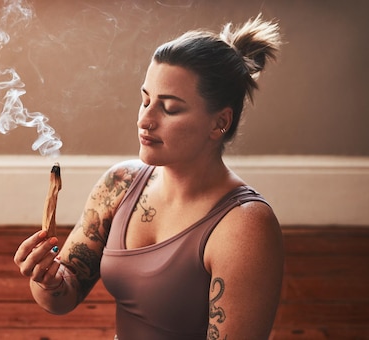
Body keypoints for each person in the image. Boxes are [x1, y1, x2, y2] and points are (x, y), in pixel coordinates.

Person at [14, 14, 284, 340]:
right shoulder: (121, 183)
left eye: (169, 108)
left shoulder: (245, 226)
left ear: (219, 123)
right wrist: (48, 279)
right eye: (145, 100)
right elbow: (63, 297)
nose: (146, 120)